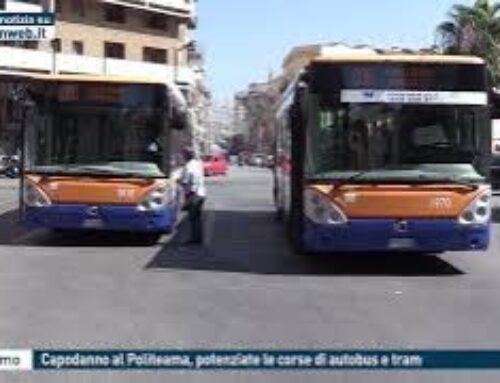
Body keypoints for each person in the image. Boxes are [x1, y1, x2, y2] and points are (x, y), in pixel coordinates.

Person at [179, 147, 206, 245]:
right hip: (201, 193)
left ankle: (195, 239)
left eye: (183, 155)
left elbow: (187, 180)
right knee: (197, 218)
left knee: (193, 217)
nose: (182, 157)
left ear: (186, 156)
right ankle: (198, 238)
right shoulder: (198, 163)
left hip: (194, 194)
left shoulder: (189, 166)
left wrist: (181, 182)